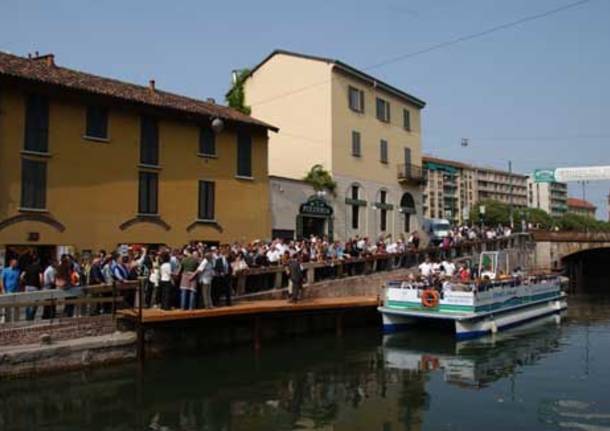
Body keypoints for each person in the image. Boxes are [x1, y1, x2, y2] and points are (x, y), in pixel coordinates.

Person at [21, 254, 43, 320]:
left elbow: (21, 276)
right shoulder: (38, 267)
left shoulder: (27, 267)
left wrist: (25, 282)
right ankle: (32, 316)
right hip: (35, 286)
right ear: (38, 261)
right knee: (35, 303)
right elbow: (41, 278)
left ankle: (27, 316)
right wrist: (41, 286)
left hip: (27, 286)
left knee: (28, 302)